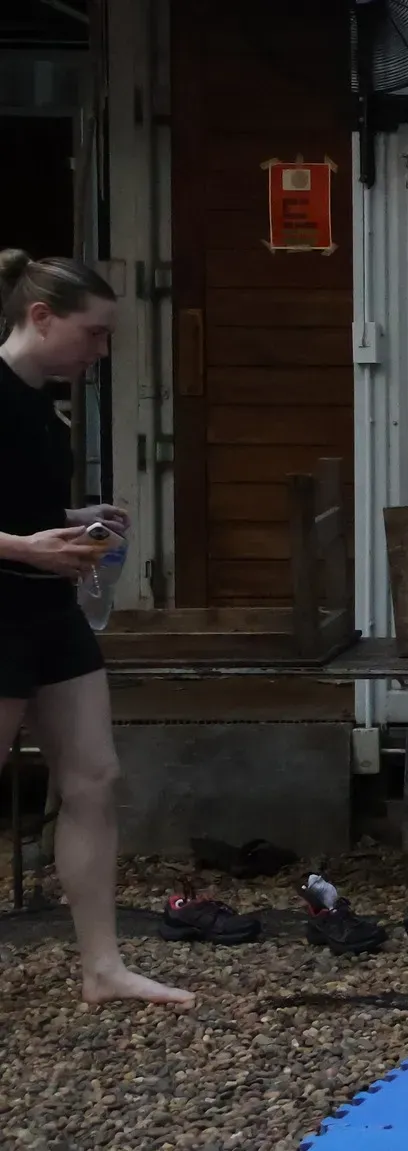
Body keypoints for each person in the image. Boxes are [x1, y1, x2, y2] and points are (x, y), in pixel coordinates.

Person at [0, 250, 191, 1007]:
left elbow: (18, 503)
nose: (101, 351)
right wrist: (25, 548)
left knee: (94, 778)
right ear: (41, 317)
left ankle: (102, 967)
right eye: (94, 333)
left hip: (50, 611)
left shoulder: (42, 405)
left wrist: (79, 521)